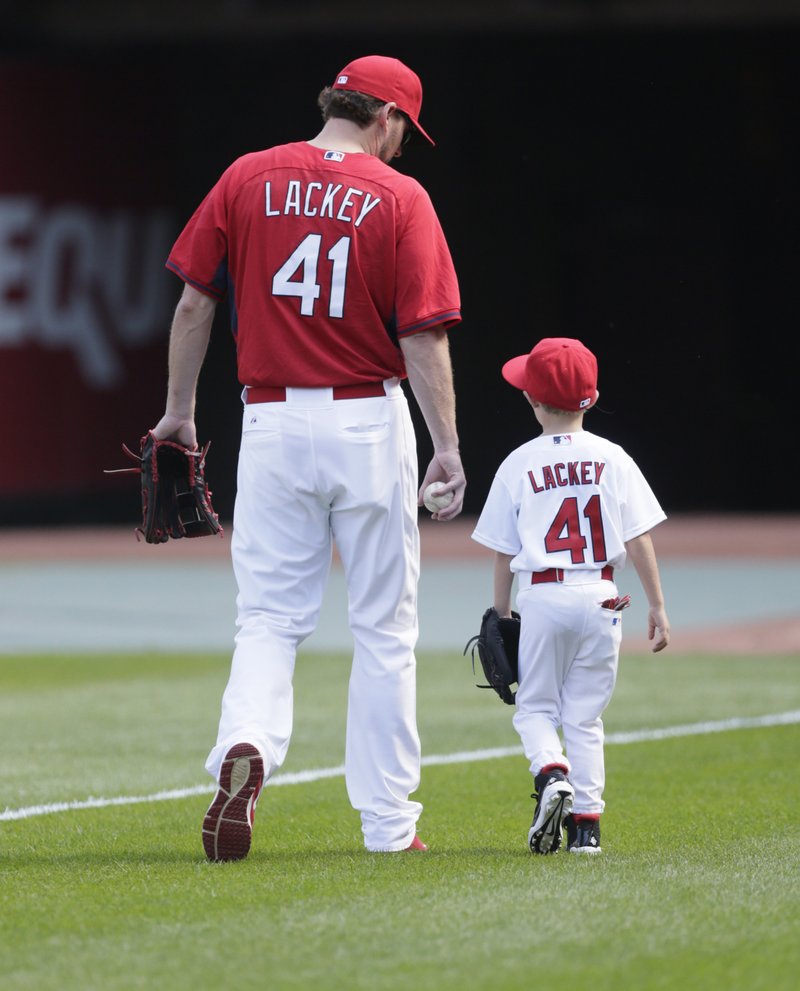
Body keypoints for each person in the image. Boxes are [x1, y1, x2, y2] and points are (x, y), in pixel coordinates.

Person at [152, 55, 465, 859]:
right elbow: (422, 334)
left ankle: (244, 745)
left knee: (267, 616)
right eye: (405, 131)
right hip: (367, 419)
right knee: (384, 629)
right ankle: (390, 826)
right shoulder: (401, 196)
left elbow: (194, 300)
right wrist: (448, 447)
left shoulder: (248, 175)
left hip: (274, 422)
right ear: (387, 118)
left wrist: (180, 413)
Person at [471, 338, 669, 855]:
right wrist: (658, 605)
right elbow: (639, 536)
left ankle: (551, 774)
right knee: (584, 717)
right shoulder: (613, 457)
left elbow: (501, 551)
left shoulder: (518, 462)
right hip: (604, 596)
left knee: (534, 709)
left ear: (532, 400)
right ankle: (586, 830)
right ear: (593, 395)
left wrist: (501, 612)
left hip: (544, 594)